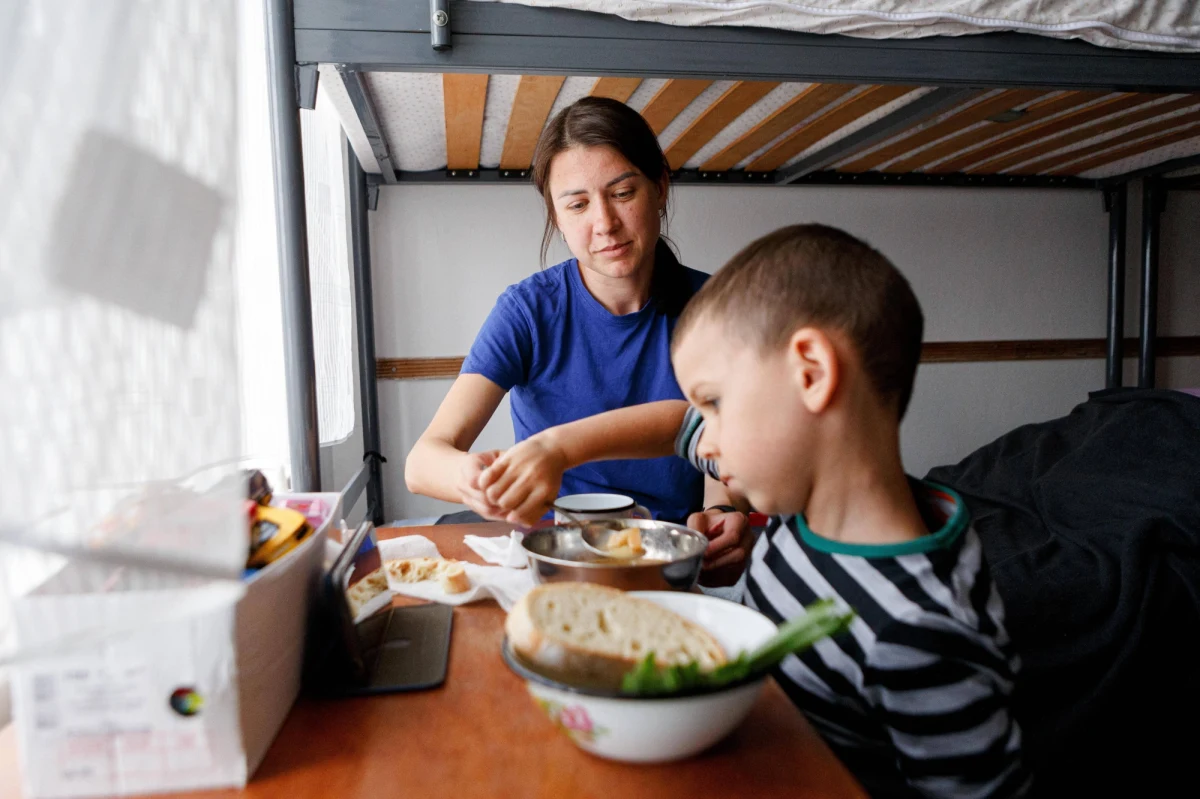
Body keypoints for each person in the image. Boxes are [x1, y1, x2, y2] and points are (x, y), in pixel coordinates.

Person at [481, 224, 1030, 797]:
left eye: (716, 403)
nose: (708, 441)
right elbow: (674, 425)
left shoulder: (919, 634)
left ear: (811, 374)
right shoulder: (807, 507)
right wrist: (555, 448)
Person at [404, 97, 743, 528]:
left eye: (622, 193)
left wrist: (721, 511)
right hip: (554, 542)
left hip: (669, 540)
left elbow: (721, 443)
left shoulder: (719, 306)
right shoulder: (527, 311)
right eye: (578, 205)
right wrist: (470, 479)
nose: (605, 223)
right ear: (557, 217)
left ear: (660, 186)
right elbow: (422, 463)